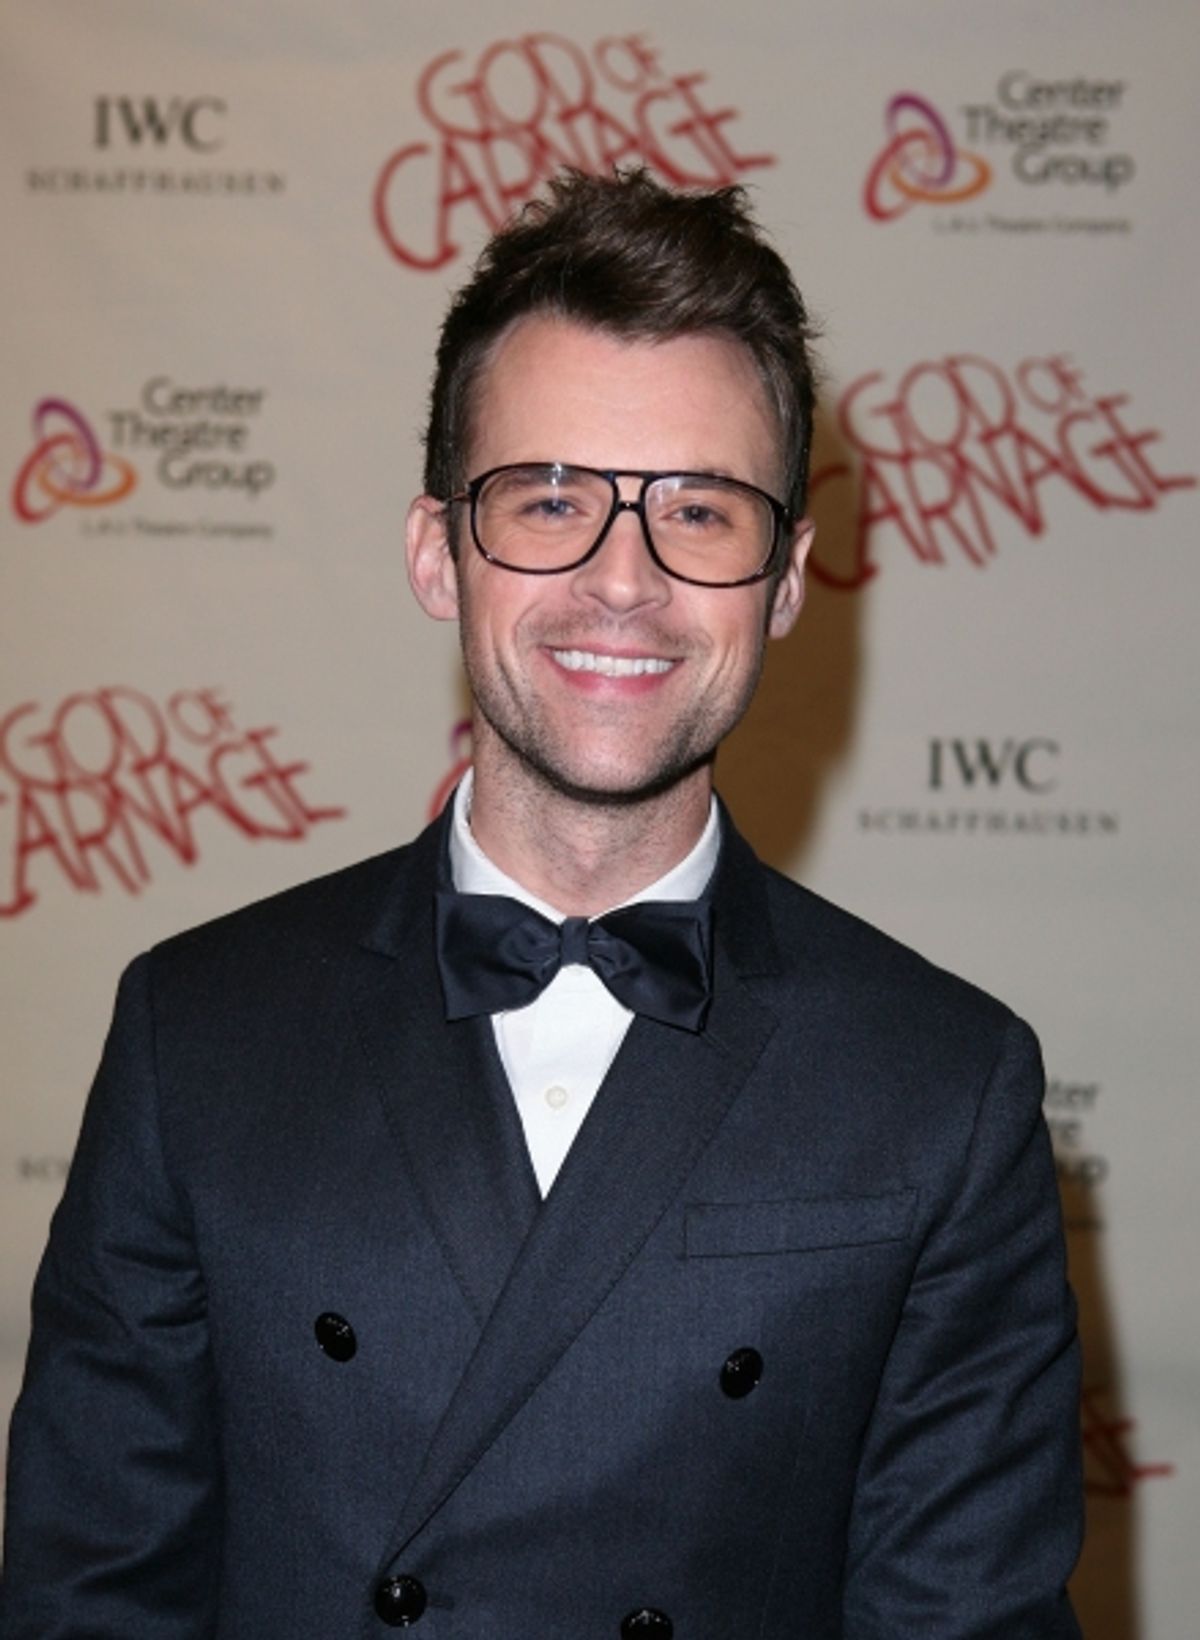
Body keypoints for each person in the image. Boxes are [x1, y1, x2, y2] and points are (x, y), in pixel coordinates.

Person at [0, 168, 1083, 1637]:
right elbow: (88, 1602)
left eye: (700, 511)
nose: (621, 580)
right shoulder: (194, 1038)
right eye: (551, 498)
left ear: (782, 582)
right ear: (438, 553)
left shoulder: (945, 1087)